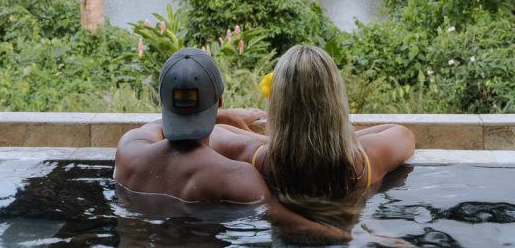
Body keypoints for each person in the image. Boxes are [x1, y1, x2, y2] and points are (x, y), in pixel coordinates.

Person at [114, 47, 349, 244]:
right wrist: (347, 235)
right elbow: (292, 225)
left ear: (162, 101)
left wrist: (220, 116)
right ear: (219, 100)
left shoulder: (129, 150)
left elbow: (155, 125)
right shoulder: (236, 177)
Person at [210, 44, 416, 226]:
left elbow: (215, 132)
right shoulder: (364, 162)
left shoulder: (260, 161)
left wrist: (276, 141)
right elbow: (402, 133)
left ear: (278, 105)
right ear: (335, 103)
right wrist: (341, 138)